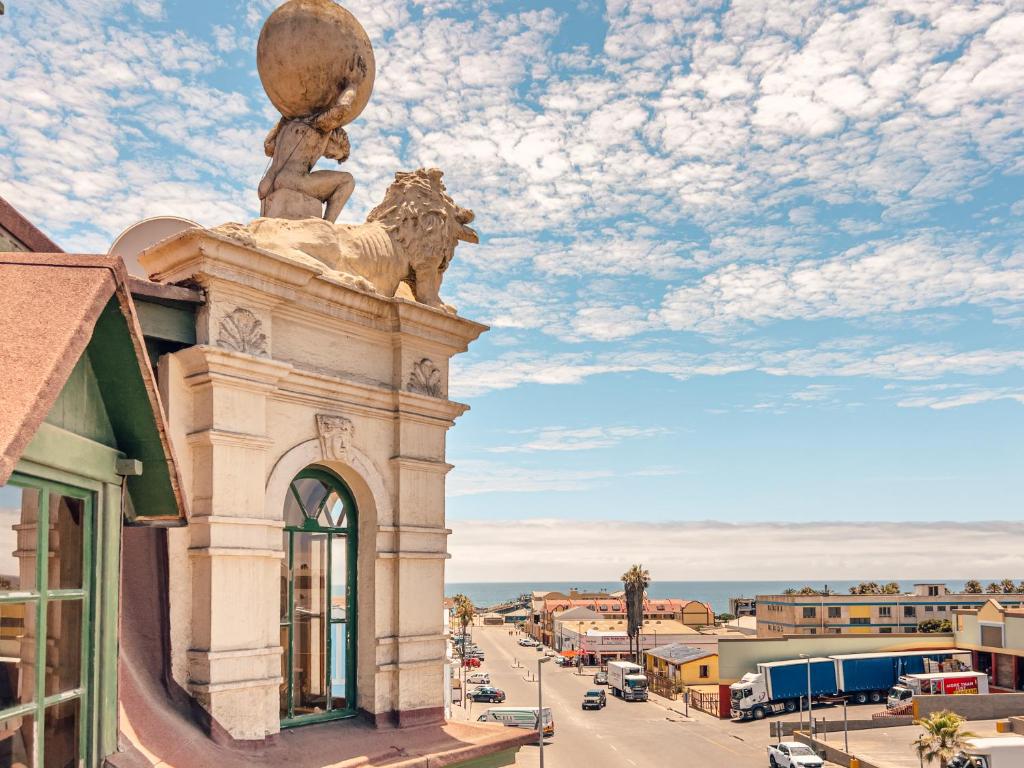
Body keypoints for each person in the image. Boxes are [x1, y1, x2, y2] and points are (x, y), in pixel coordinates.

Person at [258, 72, 364, 222]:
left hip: (266, 184)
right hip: (292, 179)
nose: (328, 157)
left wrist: (285, 116)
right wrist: (353, 85)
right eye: (333, 155)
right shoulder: (319, 127)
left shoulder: (288, 125)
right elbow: (342, 110)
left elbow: (268, 146)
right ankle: (327, 225)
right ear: (334, 139)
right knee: (347, 180)